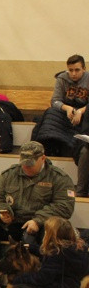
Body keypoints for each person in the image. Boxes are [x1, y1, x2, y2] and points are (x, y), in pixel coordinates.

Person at [0, 141, 76, 288]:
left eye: (30, 164)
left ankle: (38, 279)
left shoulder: (59, 178)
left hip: (38, 225)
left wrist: (38, 220)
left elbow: (65, 206)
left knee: (49, 232)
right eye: (23, 163)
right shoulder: (9, 174)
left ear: (42, 159)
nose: (26, 167)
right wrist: (3, 213)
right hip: (13, 222)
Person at [9, 217, 88, 288]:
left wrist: (18, 278)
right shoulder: (74, 248)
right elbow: (51, 257)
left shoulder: (56, 253)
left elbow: (43, 278)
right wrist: (32, 248)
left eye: (46, 232)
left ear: (52, 235)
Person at [50, 55, 89, 196]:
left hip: (84, 116)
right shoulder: (62, 78)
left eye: (77, 70)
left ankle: (81, 191)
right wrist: (67, 108)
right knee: (49, 116)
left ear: (84, 69)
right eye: (70, 70)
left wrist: (81, 111)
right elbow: (55, 101)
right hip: (66, 113)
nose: (73, 73)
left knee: (84, 150)